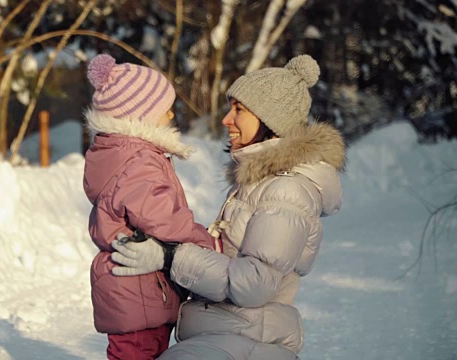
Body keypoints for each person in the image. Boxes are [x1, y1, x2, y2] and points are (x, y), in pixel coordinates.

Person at [111, 54, 345, 359]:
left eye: (239, 110)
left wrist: (171, 257)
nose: (226, 119)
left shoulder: (286, 191)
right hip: (226, 335)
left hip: (244, 337)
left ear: (270, 120)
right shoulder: (258, 184)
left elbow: (253, 284)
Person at [83, 54, 218, 360]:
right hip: (138, 288)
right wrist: (207, 245)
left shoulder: (118, 153)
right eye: (164, 110)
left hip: (132, 288)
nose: (170, 116)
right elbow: (164, 221)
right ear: (139, 117)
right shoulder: (139, 161)